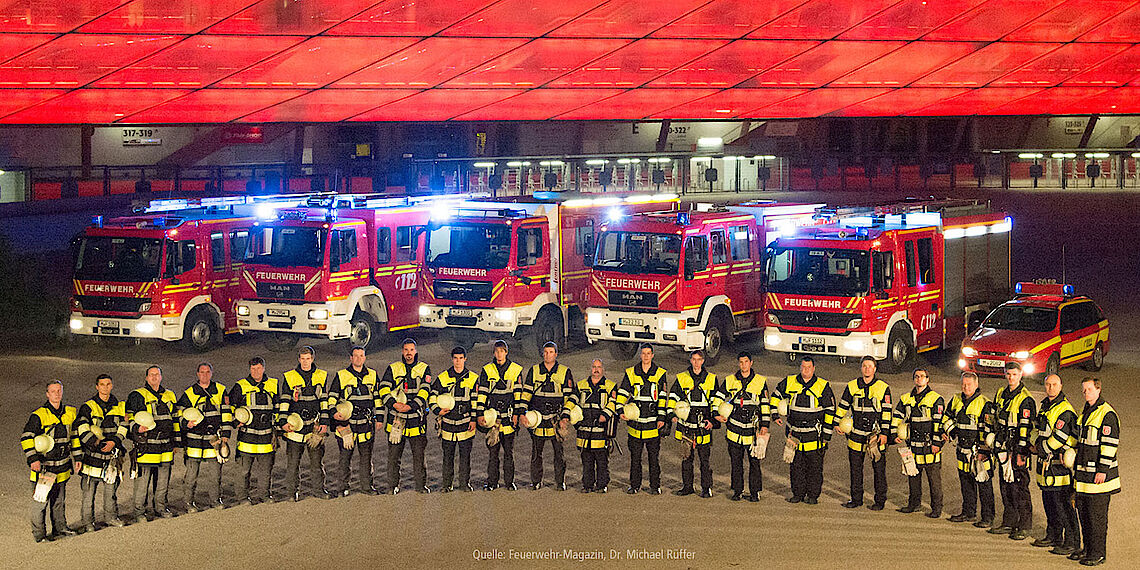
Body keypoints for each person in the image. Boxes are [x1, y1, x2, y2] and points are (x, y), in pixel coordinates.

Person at [771, 355, 834, 505]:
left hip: (814, 436)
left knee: (814, 469)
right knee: (796, 467)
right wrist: (774, 414)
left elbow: (830, 410)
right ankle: (797, 494)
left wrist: (826, 435)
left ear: (814, 368)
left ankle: (813, 496)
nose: (806, 370)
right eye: (803, 367)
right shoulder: (789, 381)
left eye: (809, 367)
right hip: (794, 434)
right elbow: (775, 396)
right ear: (800, 368)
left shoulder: (823, 386)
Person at [21, 380, 77, 542]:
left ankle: (60, 528)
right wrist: (33, 459)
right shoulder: (39, 415)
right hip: (44, 468)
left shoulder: (69, 413)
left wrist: (78, 458)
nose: (57, 394)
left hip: (62, 466)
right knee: (40, 502)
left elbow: (73, 437)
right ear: (47, 394)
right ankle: (40, 535)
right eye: (53, 391)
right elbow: (26, 437)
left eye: (59, 390)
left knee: (59, 501)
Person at [1073, 377, 1119, 567]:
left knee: (1096, 518)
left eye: (1090, 389)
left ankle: (1098, 553)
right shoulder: (1085, 412)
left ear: (1098, 389)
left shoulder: (1107, 414)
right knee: (1084, 515)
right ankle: (1087, 549)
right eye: (1084, 390)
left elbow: (1110, 445)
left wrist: (1102, 470)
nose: (1086, 393)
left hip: (1099, 479)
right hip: (1084, 477)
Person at [835, 355, 892, 510]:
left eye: (870, 366)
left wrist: (884, 433)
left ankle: (880, 501)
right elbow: (843, 405)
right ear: (861, 368)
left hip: (875, 436)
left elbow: (887, 413)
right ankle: (856, 499)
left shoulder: (883, 387)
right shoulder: (852, 386)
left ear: (875, 369)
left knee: (879, 470)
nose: (867, 369)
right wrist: (836, 422)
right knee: (855, 469)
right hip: (855, 434)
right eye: (864, 366)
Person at [73, 374, 127, 532]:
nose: (105, 387)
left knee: (111, 491)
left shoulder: (120, 406)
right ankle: (88, 522)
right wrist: (98, 443)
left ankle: (111, 518)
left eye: (108, 384)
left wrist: (114, 442)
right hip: (92, 457)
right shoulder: (88, 407)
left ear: (112, 386)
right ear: (97, 387)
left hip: (112, 457)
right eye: (102, 384)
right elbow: (82, 428)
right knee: (89, 493)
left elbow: (124, 426)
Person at [989, 361, 1036, 540]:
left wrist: (1021, 452)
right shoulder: (1001, 393)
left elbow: (1027, 428)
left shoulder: (1025, 399)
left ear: (1020, 375)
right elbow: (994, 417)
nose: (1011, 377)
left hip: (1018, 449)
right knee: (1005, 486)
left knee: (1020, 488)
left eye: (1014, 374)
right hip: (1003, 447)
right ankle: (1008, 522)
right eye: (1008, 374)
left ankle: (1024, 525)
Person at [1032, 373, 1079, 555]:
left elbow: (1059, 438)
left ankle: (1072, 542)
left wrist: (1040, 448)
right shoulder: (1045, 406)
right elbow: (1036, 429)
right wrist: (1035, 443)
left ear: (1061, 386)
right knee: (1049, 505)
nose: (1050, 388)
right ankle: (1053, 536)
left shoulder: (1064, 410)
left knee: (1064, 507)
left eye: (1054, 384)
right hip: (1047, 467)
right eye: (1048, 384)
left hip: (1059, 468)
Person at [276, 346, 331, 502]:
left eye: (308, 359)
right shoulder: (290, 377)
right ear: (298, 359)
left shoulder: (321, 375)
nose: (305, 362)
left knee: (316, 463)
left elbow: (324, 401)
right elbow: (285, 400)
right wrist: (282, 422)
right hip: (295, 427)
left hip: (314, 427)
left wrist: (324, 422)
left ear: (312, 359)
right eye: (302, 359)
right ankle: (291, 493)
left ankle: (318, 490)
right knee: (293, 464)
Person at [126, 365, 180, 522]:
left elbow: (175, 419)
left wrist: (177, 442)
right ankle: (139, 512)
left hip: (166, 445)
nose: (154, 377)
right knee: (143, 481)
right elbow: (129, 418)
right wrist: (136, 429)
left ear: (161, 377)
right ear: (146, 378)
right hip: (147, 445)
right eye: (151, 375)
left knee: (163, 480)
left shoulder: (170, 395)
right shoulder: (137, 395)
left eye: (157, 374)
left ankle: (160, 507)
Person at [614, 343, 669, 495]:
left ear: (652, 355)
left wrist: (661, 418)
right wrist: (620, 410)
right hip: (635, 425)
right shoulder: (631, 372)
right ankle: (634, 485)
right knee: (635, 458)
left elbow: (662, 397)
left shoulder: (660, 373)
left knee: (654, 459)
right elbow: (623, 392)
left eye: (648, 353)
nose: (646, 356)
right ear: (640, 355)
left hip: (653, 424)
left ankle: (655, 486)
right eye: (643, 353)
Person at [714, 351, 769, 502]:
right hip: (734, 429)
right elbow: (718, 398)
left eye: (746, 362)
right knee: (736, 463)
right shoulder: (730, 380)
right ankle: (737, 491)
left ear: (751, 363)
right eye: (741, 362)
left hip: (753, 430)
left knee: (754, 464)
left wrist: (765, 425)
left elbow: (765, 404)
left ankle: (755, 492)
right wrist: (716, 414)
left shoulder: (760, 381)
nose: (743, 365)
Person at [944, 371, 996, 528]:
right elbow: (946, 417)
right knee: (966, 483)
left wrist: (984, 451)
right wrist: (949, 431)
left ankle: (987, 517)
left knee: (984, 485)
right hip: (962, 449)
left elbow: (988, 429)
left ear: (976, 385)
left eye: (969, 384)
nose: (966, 387)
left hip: (979, 452)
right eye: (964, 384)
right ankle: (968, 512)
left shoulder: (985, 403)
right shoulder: (956, 399)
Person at [380, 338, 432, 494]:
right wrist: (394, 405)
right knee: (393, 457)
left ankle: (420, 486)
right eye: (406, 350)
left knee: (419, 457)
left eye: (411, 350)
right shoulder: (393, 368)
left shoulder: (424, 369)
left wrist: (410, 406)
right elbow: (383, 389)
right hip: (396, 420)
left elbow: (425, 391)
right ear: (402, 351)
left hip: (416, 420)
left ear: (416, 351)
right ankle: (392, 486)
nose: (409, 353)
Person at [177, 362, 230, 512]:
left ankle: (215, 500)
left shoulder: (220, 390)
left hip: (214, 439)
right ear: (197, 374)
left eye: (207, 372)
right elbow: (179, 412)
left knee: (215, 475)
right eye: (202, 372)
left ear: (211, 373)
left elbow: (226, 413)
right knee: (191, 476)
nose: (205, 375)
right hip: (194, 439)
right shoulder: (189, 393)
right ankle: (188, 503)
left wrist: (225, 435)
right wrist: (186, 423)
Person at [328, 346, 382, 496]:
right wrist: (334, 414)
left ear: (365, 358)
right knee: (345, 458)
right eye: (356, 356)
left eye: (361, 355)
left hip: (366, 423)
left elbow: (378, 398)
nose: (358, 358)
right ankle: (342, 488)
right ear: (351, 358)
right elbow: (332, 397)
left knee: (366, 458)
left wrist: (379, 419)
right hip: (347, 424)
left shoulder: (373, 375)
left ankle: (367, 487)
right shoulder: (341, 375)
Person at [521, 341, 574, 491]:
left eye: (551, 352)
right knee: (536, 453)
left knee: (559, 453)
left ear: (556, 354)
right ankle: (536, 481)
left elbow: (570, 396)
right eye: (545, 352)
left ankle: (560, 482)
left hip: (555, 420)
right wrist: (523, 413)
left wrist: (565, 417)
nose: (547, 355)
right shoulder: (534, 370)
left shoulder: (565, 371)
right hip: (537, 419)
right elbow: (526, 394)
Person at [893, 367, 945, 518]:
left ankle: (936, 508)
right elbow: (897, 416)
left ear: (927, 379)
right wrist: (894, 434)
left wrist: (937, 443)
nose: (919, 378)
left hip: (930, 447)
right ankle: (914, 504)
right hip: (913, 446)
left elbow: (939, 423)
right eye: (916, 376)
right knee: (913, 477)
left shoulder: (936, 399)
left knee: (934, 481)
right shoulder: (905, 398)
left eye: (922, 376)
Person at [227, 356, 279, 505]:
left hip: (266, 436)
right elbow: (230, 407)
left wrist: (278, 429)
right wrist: (235, 422)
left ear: (264, 368)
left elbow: (278, 407)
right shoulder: (241, 386)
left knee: (265, 471)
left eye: (259, 368)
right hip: (246, 437)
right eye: (253, 369)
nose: (256, 371)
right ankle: (242, 497)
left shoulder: (273, 384)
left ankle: (264, 495)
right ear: (249, 369)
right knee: (243, 471)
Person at [475, 340, 524, 491]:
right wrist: (480, 414)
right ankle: (492, 482)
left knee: (509, 453)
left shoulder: (515, 370)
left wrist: (517, 414)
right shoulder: (487, 370)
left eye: (502, 351)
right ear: (494, 353)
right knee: (493, 453)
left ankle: (509, 482)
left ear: (506, 352)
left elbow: (518, 395)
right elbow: (482, 394)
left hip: (508, 418)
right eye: (497, 351)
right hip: (493, 419)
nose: (499, 354)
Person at [667, 350, 716, 498]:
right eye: (694, 359)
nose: (696, 362)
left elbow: (716, 402)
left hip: (703, 426)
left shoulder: (711, 379)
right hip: (686, 425)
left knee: (704, 460)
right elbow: (673, 397)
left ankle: (706, 488)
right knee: (686, 458)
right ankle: (687, 486)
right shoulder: (681, 378)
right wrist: (671, 414)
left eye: (699, 359)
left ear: (703, 361)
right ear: (690, 360)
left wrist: (712, 421)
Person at [430, 346, 479, 492]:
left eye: (461, 358)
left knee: (465, 457)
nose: (458, 361)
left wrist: (473, 420)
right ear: (452, 359)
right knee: (448, 456)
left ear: (465, 359)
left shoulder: (473, 378)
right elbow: (432, 395)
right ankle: (447, 485)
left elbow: (475, 401)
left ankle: (464, 484)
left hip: (465, 423)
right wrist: (437, 410)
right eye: (456, 358)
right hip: (448, 423)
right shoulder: (443, 377)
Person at [569, 358, 615, 493]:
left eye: (599, 367)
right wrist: (569, 416)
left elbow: (613, 403)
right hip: (584, 431)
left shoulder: (610, 386)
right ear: (590, 368)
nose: (596, 370)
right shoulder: (581, 385)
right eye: (594, 367)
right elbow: (573, 401)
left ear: (603, 369)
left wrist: (605, 415)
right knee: (586, 460)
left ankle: (602, 485)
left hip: (601, 430)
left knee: (602, 461)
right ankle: (587, 485)